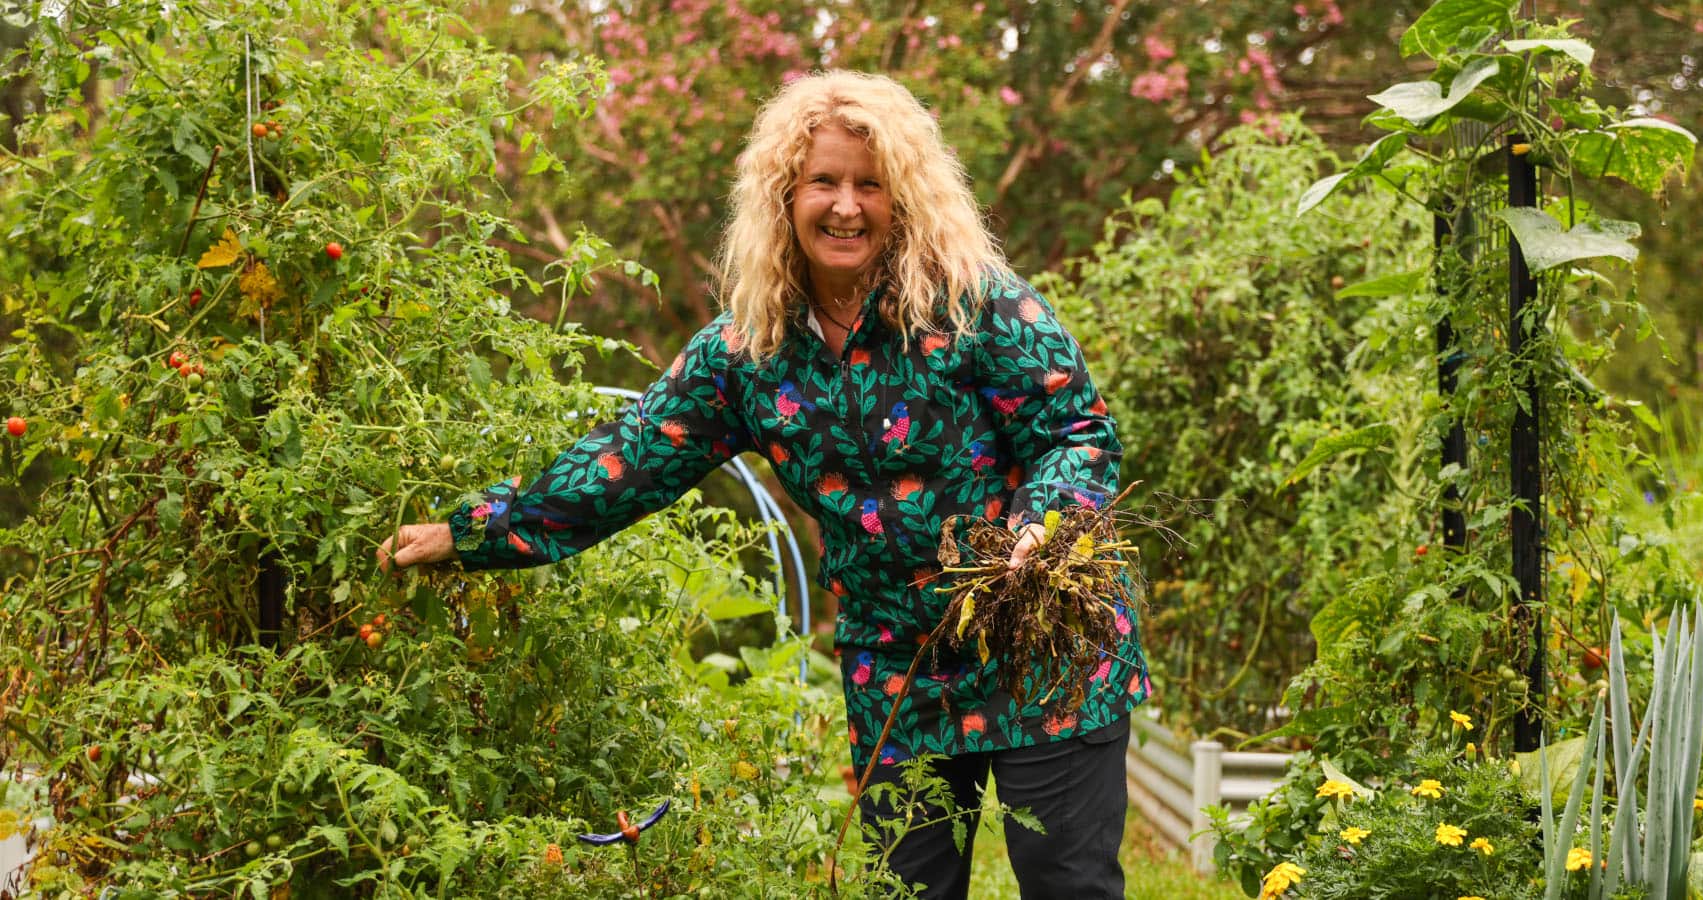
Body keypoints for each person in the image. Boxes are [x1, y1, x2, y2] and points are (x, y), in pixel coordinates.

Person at [376, 70, 1146, 898]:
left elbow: (1074, 431)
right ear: (784, 196)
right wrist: (478, 529)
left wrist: (1046, 524)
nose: (845, 205)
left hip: (1041, 641)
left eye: (869, 184)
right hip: (898, 666)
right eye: (823, 181)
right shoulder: (749, 351)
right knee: (907, 892)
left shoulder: (975, 307)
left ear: (905, 198)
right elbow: (631, 457)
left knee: (1069, 885)